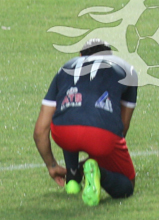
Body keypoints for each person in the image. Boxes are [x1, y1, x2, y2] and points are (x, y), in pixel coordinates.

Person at [33, 39, 139, 207]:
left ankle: (73, 180)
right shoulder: (128, 70)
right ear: (110, 56)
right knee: (127, 185)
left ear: (80, 56)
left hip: (63, 133)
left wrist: (51, 165)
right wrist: (99, 155)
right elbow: (122, 127)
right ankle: (98, 173)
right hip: (101, 135)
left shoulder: (66, 67)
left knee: (70, 110)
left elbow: (40, 131)